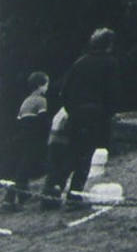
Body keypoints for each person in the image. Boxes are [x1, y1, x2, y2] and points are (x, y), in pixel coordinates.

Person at [43, 29, 118, 204]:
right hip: (95, 115)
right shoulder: (110, 63)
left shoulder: (80, 62)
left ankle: (54, 189)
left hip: (76, 114)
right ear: (109, 45)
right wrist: (109, 113)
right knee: (85, 156)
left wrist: (72, 110)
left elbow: (65, 91)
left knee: (72, 152)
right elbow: (112, 92)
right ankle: (74, 195)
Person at [4, 73, 49, 208]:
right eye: (46, 85)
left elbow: (19, 120)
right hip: (35, 137)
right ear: (40, 85)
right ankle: (11, 198)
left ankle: (20, 196)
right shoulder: (41, 100)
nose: (47, 88)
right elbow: (42, 121)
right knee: (25, 167)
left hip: (23, 136)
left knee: (23, 165)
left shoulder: (26, 101)